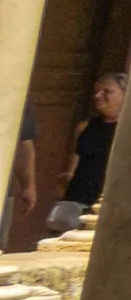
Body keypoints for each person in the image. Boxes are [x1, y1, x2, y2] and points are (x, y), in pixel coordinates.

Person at [40, 73, 119, 238]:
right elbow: (74, 160)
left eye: (107, 92)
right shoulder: (85, 126)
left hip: (109, 197)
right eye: (97, 92)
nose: (98, 96)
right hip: (79, 195)